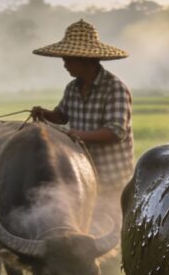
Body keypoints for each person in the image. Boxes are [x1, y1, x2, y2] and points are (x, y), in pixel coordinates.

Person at [29, 19, 134, 210]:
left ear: (85, 59)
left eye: (68, 60)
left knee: (109, 227)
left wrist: (77, 135)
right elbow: (61, 116)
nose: (65, 65)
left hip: (111, 177)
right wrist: (44, 113)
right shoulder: (72, 87)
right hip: (80, 173)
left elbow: (115, 132)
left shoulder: (115, 88)